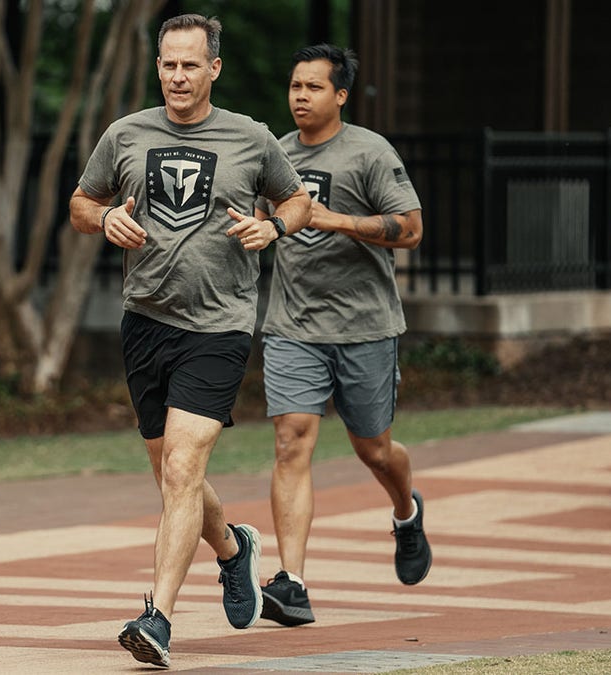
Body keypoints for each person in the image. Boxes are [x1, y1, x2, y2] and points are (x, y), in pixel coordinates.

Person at [69, 14, 311, 668]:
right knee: (169, 472)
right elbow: (81, 203)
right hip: (145, 321)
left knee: (182, 467)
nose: (177, 76)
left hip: (220, 324)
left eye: (189, 65)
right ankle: (234, 549)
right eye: (168, 64)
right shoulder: (126, 134)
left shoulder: (251, 138)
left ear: (214, 69)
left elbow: (296, 203)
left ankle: (159, 617)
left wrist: (273, 231)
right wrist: (106, 216)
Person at [253, 44, 430, 628]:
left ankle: (405, 511)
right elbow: (260, 220)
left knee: (373, 449)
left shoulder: (370, 152)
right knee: (291, 442)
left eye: (313, 88)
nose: (300, 96)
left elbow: (410, 229)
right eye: (295, 86)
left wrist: (336, 219)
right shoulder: (273, 154)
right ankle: (293, 583)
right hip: (292, 326)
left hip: (365, 328)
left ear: (341, 95)